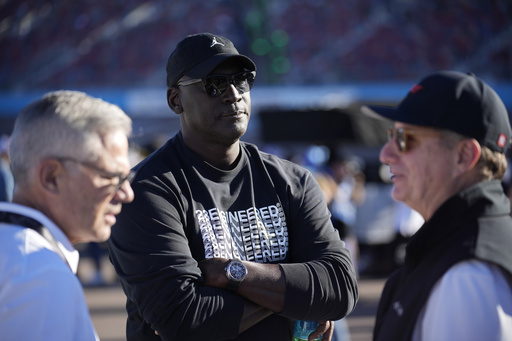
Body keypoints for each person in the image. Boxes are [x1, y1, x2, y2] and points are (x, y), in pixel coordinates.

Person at [108, 32, 359, 341]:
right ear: (176, 100)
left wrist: (232, 273)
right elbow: (184, 320)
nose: (232, 93)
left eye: (241, 80)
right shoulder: (145, 190)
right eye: (212, 84)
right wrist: (295, 295)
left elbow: (340, 287)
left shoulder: (293, 181)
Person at [361, 71, 512, 341]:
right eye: (390, 135)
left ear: (464, 156)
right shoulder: (457, 252)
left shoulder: (469, 278)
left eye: (405, 138)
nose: (386, 153)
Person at [0, 90, 134, 340]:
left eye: (127, 177)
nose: (126, 193)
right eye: (113, 177)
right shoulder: (37, 272)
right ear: (52, 178)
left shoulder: (20, 256)